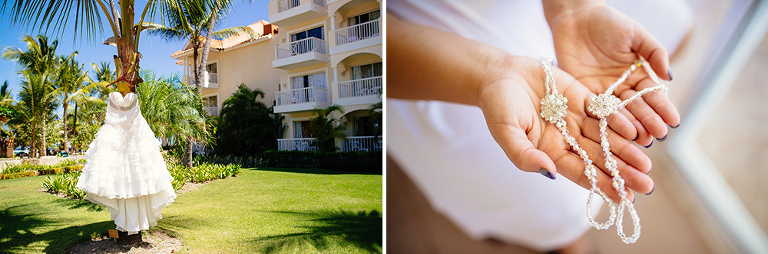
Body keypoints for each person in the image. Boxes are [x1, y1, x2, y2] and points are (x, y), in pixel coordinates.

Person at [387, 0, 692, 252]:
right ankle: (557, 241)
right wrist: (487, 74)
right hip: (415, 45)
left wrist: (574, 9)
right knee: (554, 204)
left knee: (678, 27)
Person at [76, 79, 176, 243]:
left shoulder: (125, 96)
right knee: (124, 183)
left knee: (133, 182)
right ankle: (127, 227)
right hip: (118, 138)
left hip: (131, 137)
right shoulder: (117, 96)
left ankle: (133, 226)